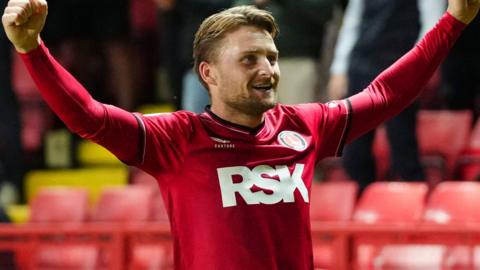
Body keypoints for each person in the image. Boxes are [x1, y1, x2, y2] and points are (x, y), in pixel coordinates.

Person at [2, 1, 479, 269]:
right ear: (208, 74)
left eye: (270, 56)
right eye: (249, 59)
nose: (268, 69)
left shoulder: (303, 125)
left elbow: (385, 94)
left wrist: (452, 23)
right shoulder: (178, 138)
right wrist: (33, 50)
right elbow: (89, 116)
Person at [327, 0, 446, 190]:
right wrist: (339, 69)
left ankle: (414, 204)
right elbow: (352, 24)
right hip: (361, 65)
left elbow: (433, 24)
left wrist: (418, 68)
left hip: (400, 66)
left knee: (403, 146)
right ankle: (363, 206)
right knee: (354, 153)